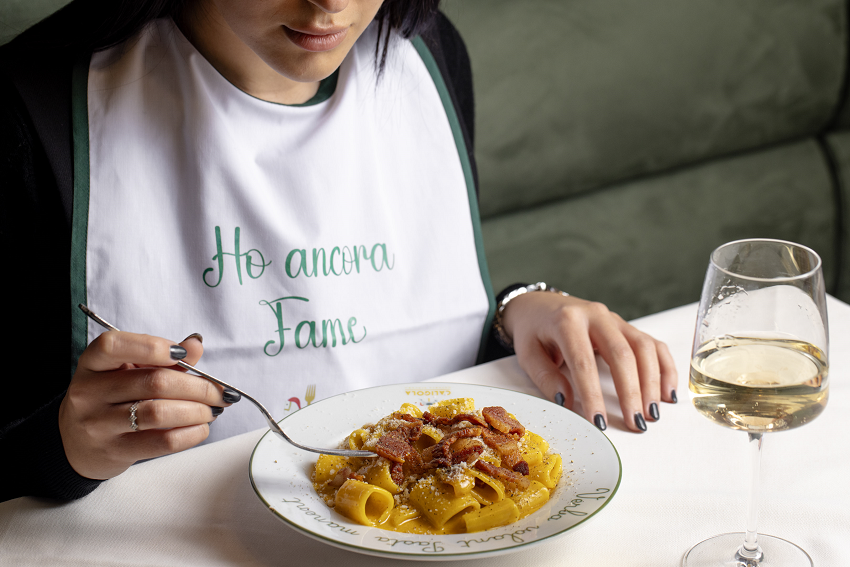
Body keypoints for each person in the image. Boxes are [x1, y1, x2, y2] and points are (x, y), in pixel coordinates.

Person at [0, 0, 677, 503]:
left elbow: (410, 338)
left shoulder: (428, 52)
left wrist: (517, 311)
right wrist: (63, 445)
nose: (330, 3)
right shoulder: (29, 107)